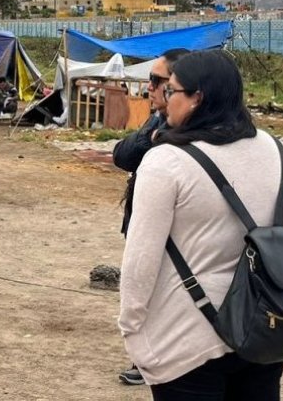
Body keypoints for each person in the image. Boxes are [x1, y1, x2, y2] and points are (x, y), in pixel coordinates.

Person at [118, 50, 283, 399]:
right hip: (265, 329)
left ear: (196, 98)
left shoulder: (166, 162)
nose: (164, 99)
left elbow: (139, 262)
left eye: (172, 90)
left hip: (187, 339)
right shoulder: (281, 153)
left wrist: (131, 329)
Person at [111, 47, 189, 386]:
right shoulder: (157, 120)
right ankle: (146, 358)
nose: (150, 88)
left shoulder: (193, 131)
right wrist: (153, 134)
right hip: (144, 223)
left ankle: (158, 360)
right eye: (150, 80)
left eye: (157, 81)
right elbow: (123, 155)